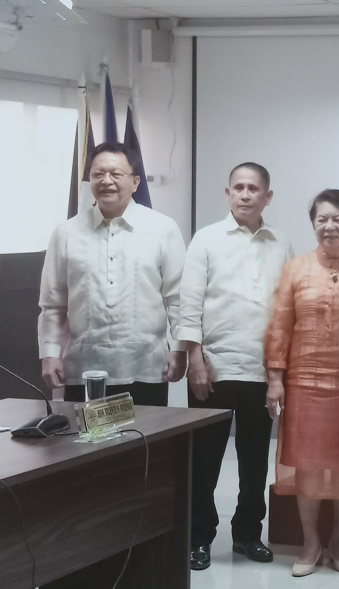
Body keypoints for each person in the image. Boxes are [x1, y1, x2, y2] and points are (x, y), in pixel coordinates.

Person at [178, 162, 291, 570]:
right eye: (238, 187)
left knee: (255, 459)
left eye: (253, 188)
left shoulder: (281, 242)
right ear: (227, 193)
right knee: (205, 459)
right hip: (214, 369)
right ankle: (199, 537)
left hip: (262, 370)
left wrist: (280, 372)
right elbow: (189, 303)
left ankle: (247, 534)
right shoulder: (206, 239)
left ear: (267, 196)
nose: (245, 194)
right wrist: (194, 360)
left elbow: (286, 310)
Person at [264, 190, 339, 577]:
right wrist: (275, 379)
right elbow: (280, 325)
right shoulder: (295, 268)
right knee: (309, 467)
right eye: (322, 219)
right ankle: (311, 542)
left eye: (338, 219)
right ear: (313, 225)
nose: (329, 226)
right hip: (304, 384)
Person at [39, 142, 186, 406]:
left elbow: (177, 299)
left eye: (116, 174)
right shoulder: (66, 232)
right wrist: (50, 354)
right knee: (86, 434)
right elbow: (53, 303)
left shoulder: (163, 229)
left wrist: (179, 349)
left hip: (146, 368)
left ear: (135, 182)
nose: (107, 181)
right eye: (98, 174)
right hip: (83, 369)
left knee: (147, 433)